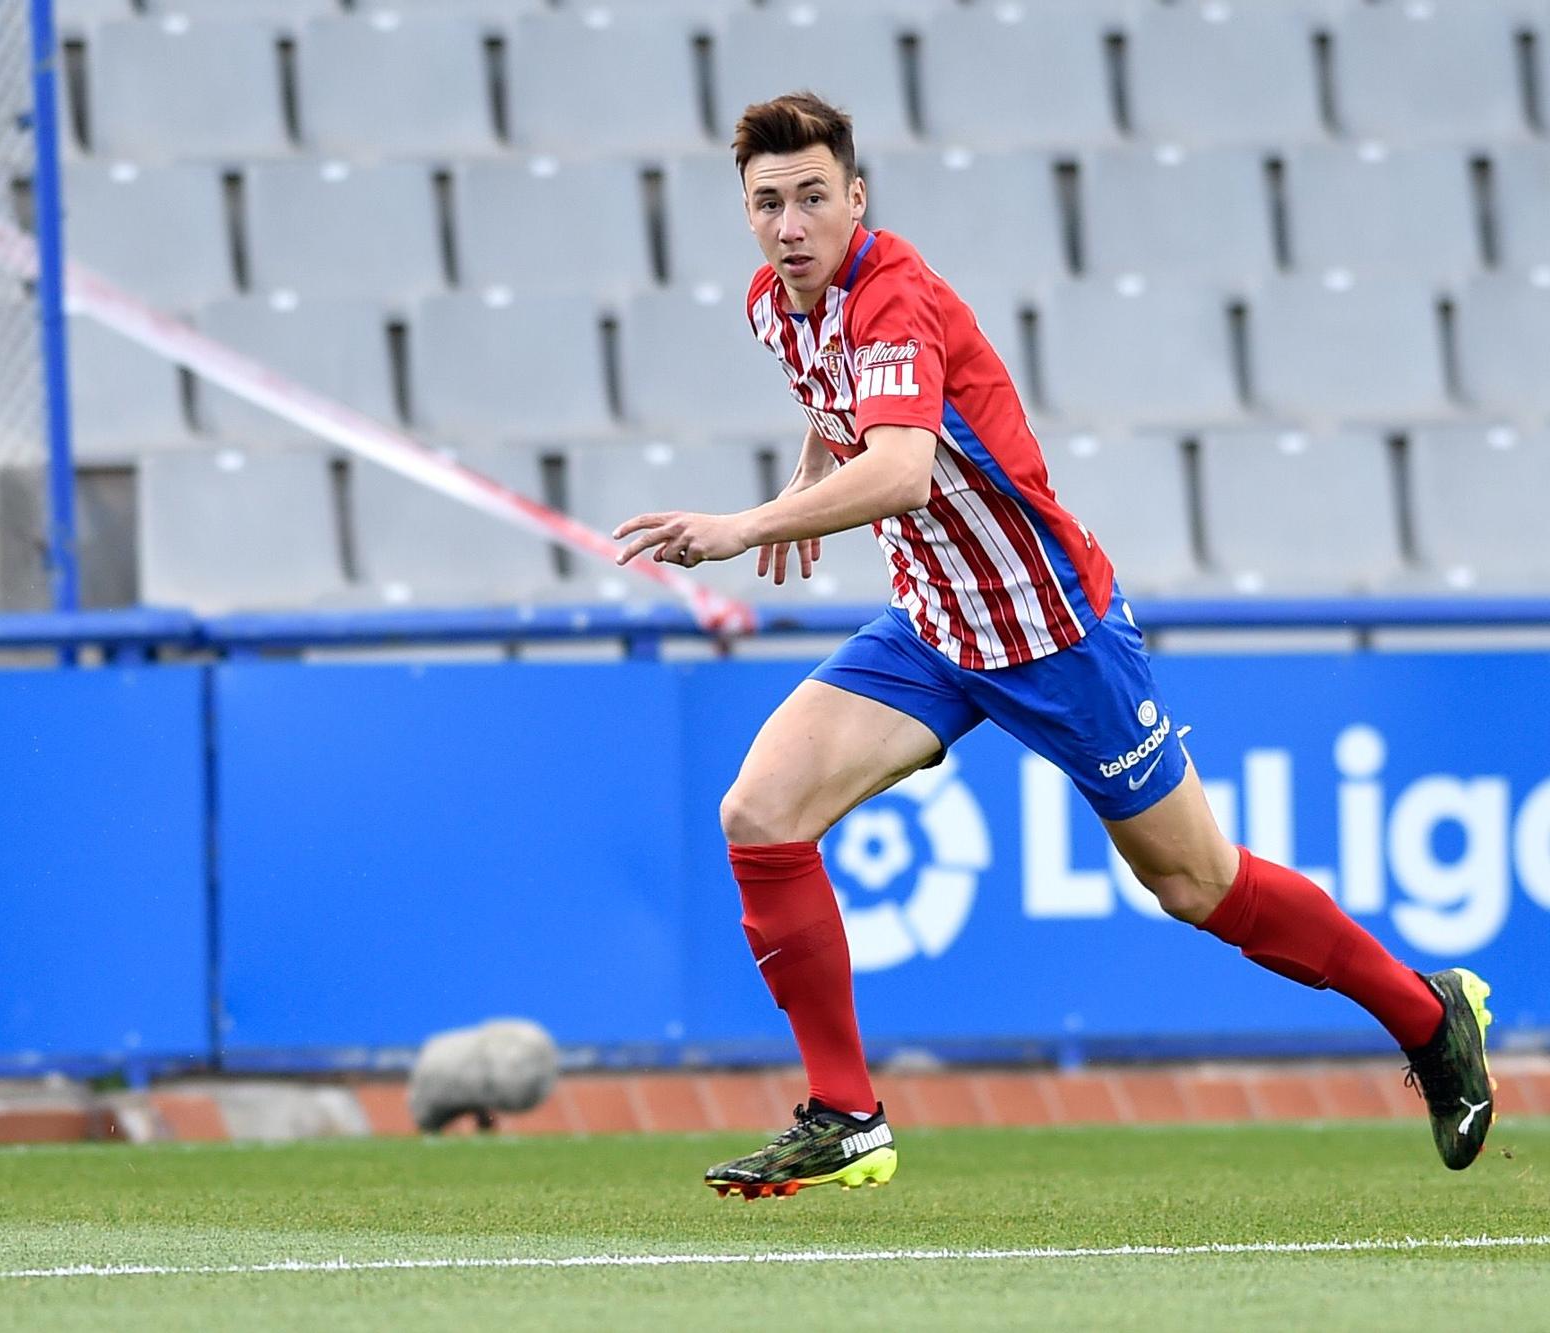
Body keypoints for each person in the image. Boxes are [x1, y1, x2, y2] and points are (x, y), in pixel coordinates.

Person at [612, 92, 1494, 1200]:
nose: (789, 225)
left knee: (1197, 885)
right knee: (758, 817)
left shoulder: (891, 295)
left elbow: (896, 468)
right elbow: (836, 406)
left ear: (856, 198)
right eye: (766, 203)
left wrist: (742, 525)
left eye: (811, 199)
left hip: (1049, 632)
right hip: (933, 626)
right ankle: (845, 1113)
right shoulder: (774, 304)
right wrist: (800, 478)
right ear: (745, 213)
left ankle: (1428, 1015)